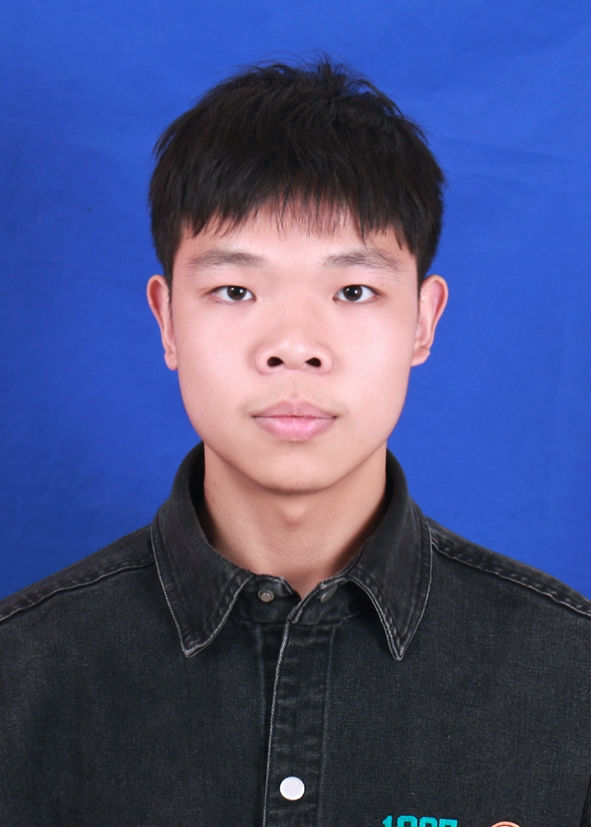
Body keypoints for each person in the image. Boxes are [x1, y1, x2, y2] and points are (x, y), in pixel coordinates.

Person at [1, 59, 590, 827]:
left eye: (352, 291)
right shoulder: (21, 674)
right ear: (167, 320)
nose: (293, 346)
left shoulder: (568, 673)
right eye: (235, 290)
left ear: (422, 321)